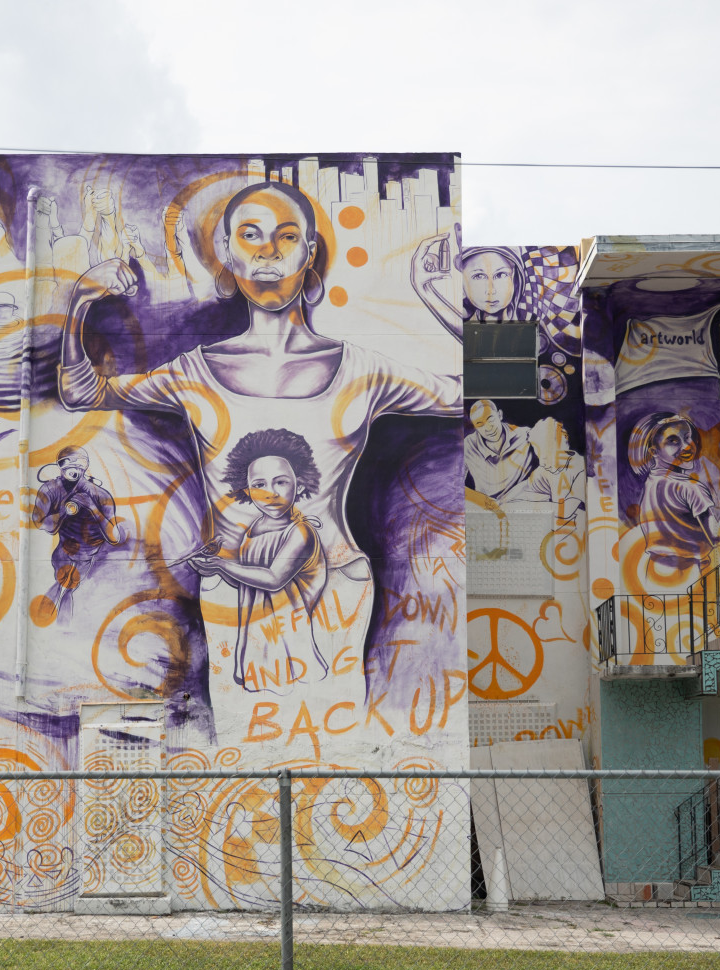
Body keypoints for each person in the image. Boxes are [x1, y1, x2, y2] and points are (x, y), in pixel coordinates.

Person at [57, 180, 462, 714]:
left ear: (309, 253)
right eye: (251, 235)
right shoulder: (195, 374)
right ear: (226, 252)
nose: (268, 251)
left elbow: (463, 393)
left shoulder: (363, 371)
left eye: (286, 236)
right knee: (244, 751)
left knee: (337, 751)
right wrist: (79, 303)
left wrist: (438, 295)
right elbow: (79, 393)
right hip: (233, 596)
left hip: (334, 588)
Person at [189, 429, 328, 694]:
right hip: (256, 633)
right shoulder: (254, 528)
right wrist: (215, 565)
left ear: (299, 485)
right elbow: (248, 581)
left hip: (286, 637)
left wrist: (222, 565)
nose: (270, 494)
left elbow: (274, 579)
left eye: (281, 482)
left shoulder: (300, 532)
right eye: (259, 485)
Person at [629, 411, 720, 571]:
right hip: (690, 573)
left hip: (653, 572)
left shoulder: (652, 482)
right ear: (653, 451)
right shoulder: (690, 487)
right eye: (673, 441)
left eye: (688, 437)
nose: (688, 446)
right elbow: (717, 537)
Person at [31, 446, 125, 624]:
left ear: (85, 466)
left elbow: (114, 537)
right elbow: (40, 522)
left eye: (78, 463)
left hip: (87, 555)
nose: (73, 469)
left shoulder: (99, 495)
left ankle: (61, 626)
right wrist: (64, 511)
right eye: (67, 463)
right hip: (63, 552)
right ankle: (52, 623)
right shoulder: (51, 490)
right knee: (62, 584)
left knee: (67, 589)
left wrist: (92, 507)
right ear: (60, 466)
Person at [411, 236, 528, 340]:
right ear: (463, 285)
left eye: (501, 275)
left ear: (516, 279)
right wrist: (423, 287)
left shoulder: (529, 320)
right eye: (479, 276)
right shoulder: (467, 320)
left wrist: (423, 288)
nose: (491, 290)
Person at [464, 399, 536, 501]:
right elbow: (454, 485)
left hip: (522, 503)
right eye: (480, 424)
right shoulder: (468, 445)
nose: (488, 428)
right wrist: (484, 502)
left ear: (500, 415)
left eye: (490, 419)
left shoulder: (525, 435)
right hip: (486, 508)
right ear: (474, 426)